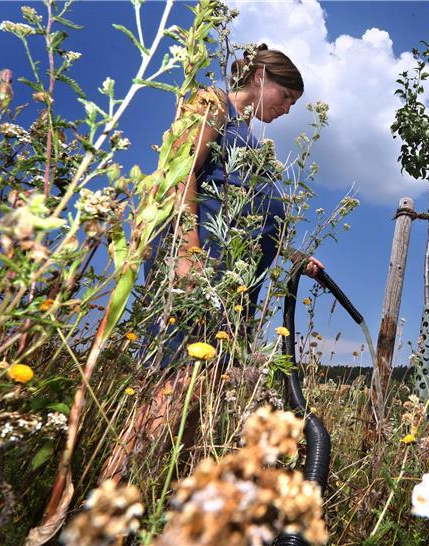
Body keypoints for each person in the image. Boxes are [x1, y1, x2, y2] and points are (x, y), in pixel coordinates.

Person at [101, 44, 322, 482]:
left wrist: (296, 256)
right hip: (200, 278)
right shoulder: (212, 104)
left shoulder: (250, 140)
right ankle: (106, 503)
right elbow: (179, 176)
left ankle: (157, 500)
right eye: (286, 97)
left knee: (195, 399)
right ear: (260, 77)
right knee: (172, 388)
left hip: (230, 294)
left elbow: (245, 216)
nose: (287, 109)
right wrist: (187, 253)